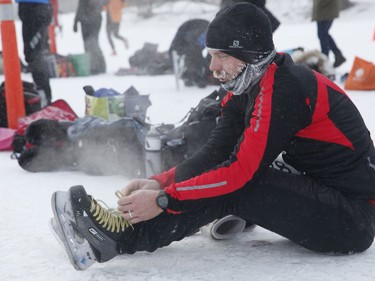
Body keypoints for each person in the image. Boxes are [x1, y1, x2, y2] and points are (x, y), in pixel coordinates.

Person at [51, 3, 375, 271]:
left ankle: (118, 239)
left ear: (247, 54)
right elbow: (216, 151)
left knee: (238, 184)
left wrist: (166, 199)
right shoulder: (248, 82)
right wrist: (160, 183)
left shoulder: (285, 88)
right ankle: (123, 228)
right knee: (222, 173)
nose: (211, 66)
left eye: (220, 56)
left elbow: (239, 172)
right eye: (210, 54)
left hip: (353, 219)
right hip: (325, 196)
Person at [16, 0, 53, 105]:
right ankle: (42, 94)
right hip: (31, 7)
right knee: (31, 54)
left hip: (36, 8)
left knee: (35, 55)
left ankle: (44, 97)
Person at [74, 0, 106, 74]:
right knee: (94, 43)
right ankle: (101, 66)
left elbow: (81, 8)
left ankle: (94, 67)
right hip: (96, 19)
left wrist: (75, 22)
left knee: (89, 44)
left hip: (87, 21)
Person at [312, 0, 346, 68]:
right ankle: (337, 55)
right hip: (323, 10)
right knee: (323, 34)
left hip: (326, 10)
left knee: (322, 34)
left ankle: (325, 59)